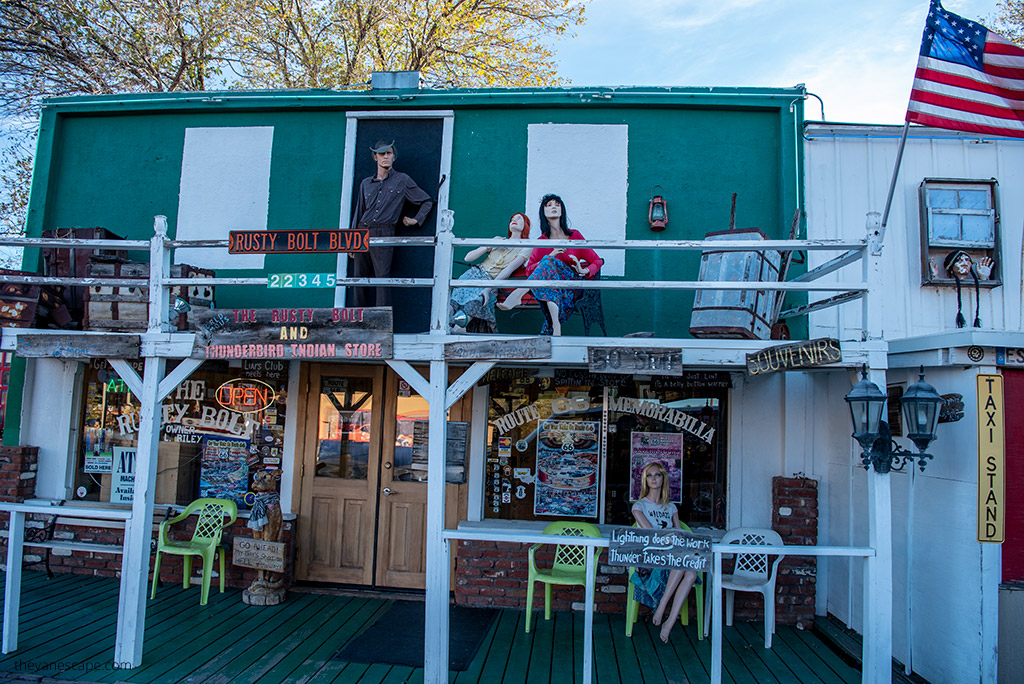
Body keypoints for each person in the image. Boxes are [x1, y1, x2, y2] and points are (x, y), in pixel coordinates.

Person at [498, 194, 603, 335]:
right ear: (543, 212)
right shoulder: (542, 241)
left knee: (549, 262)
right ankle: (556, 325)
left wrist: (584, 271)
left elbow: (598, 261)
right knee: (549, 266)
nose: (553, 207)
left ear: (562, 210)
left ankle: (518, 293)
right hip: (552, 287)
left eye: (557, 204)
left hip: (572, 288)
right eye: (549, 205)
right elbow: (529, 270)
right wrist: (552, 254)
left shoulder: (574, 235)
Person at [349, 140, 433, 307]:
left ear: (394, 157)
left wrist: (415, 219)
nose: (385, 156)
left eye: (389, 153)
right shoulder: (366, 183)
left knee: (382, 278)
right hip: (362, 232)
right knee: (359, 279)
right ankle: (358, 322)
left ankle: (382, 323)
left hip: (384, 231)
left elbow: (427, 201)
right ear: (375, 157)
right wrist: (352, 240)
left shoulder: (402, 180)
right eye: (381, 153)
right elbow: (359, 211)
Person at [630, 461, 698, 644]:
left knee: (691, 573)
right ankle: (662, 607)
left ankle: (668, 620)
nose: (653, 478)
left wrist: (678, 541)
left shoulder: (671, 507)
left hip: (671, 555)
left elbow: (679, 532)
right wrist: (671, 540)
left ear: (663, 478)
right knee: (682, 561)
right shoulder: (639, 506)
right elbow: (651, 533)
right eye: (649, 475)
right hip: (651, 555)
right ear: (645, 480)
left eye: (657, 475)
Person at [449, 212, 532, 333]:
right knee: (455, 300)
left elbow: (508, 270)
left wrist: (488, 288)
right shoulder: (498, 240)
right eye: (512, 219)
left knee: (479, 301)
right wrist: (488, 245)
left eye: (519, 219)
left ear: (525, 225)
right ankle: (446, 325)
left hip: (491, 280)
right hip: (474, 273)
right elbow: (468, 258)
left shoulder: (526, 246)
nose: (514, 220)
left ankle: (458, 327)